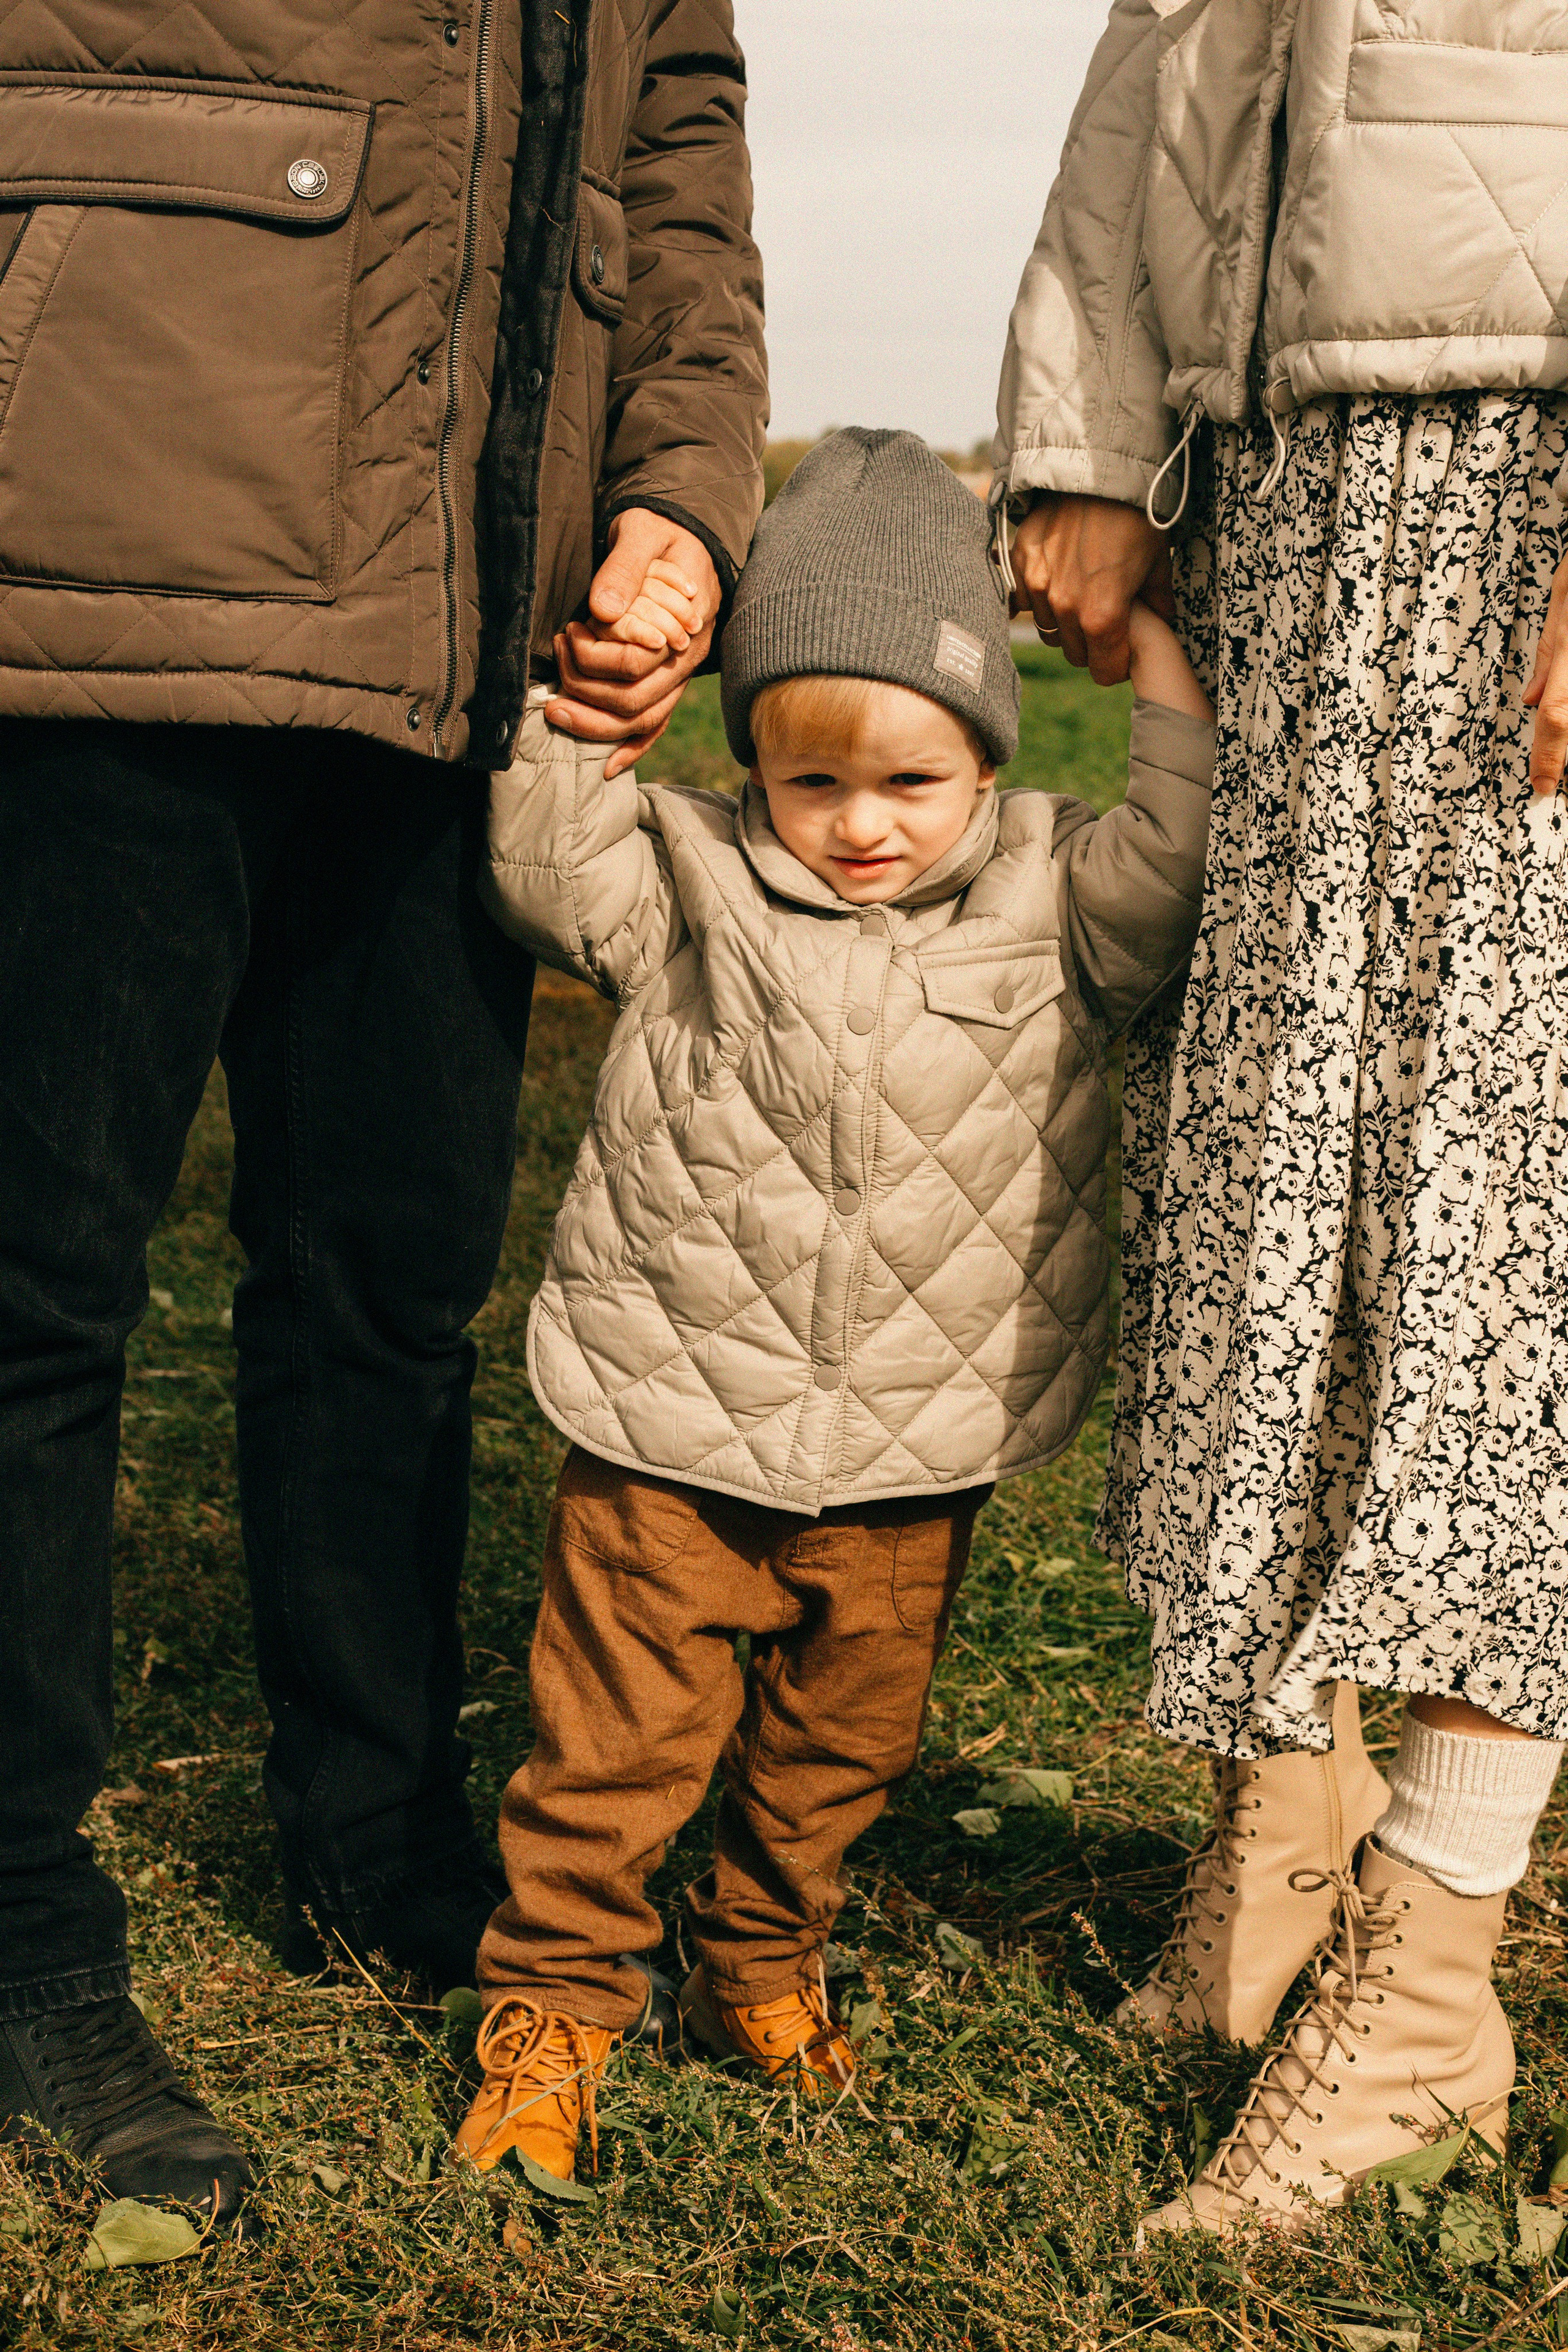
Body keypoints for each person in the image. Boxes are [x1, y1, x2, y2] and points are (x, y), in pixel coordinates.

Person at [0, 1, 766, 2232]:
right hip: (110, 545)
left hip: (472, 622)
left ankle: (373, 1837)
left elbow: (683, 146)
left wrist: (681, 507)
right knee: (35, 1296)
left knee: (392, 1290)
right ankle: (27, 1926)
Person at [452, 425, 1215, 2183]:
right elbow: (546, 870)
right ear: (751, 770)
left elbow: (1176, 851)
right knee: (613, 1748)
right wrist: (598, 708)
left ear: (989, 761)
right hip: (669, 1415)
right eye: (809, 785)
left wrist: (1151, 644)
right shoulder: (692, 879)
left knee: (836, 1754)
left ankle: (762, 1962)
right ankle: (557, 2007)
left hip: (909, 1444)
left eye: (908, 787)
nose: (858, 827)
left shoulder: (1057, 892)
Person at [993, 0, 1568, 2234]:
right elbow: (1169, 38)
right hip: (1280, 471)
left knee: (1486, 1227)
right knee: (1266, 1191)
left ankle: (1427, 1979)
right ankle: (1289, 1824)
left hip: (1506, 471)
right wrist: (1082, 427)